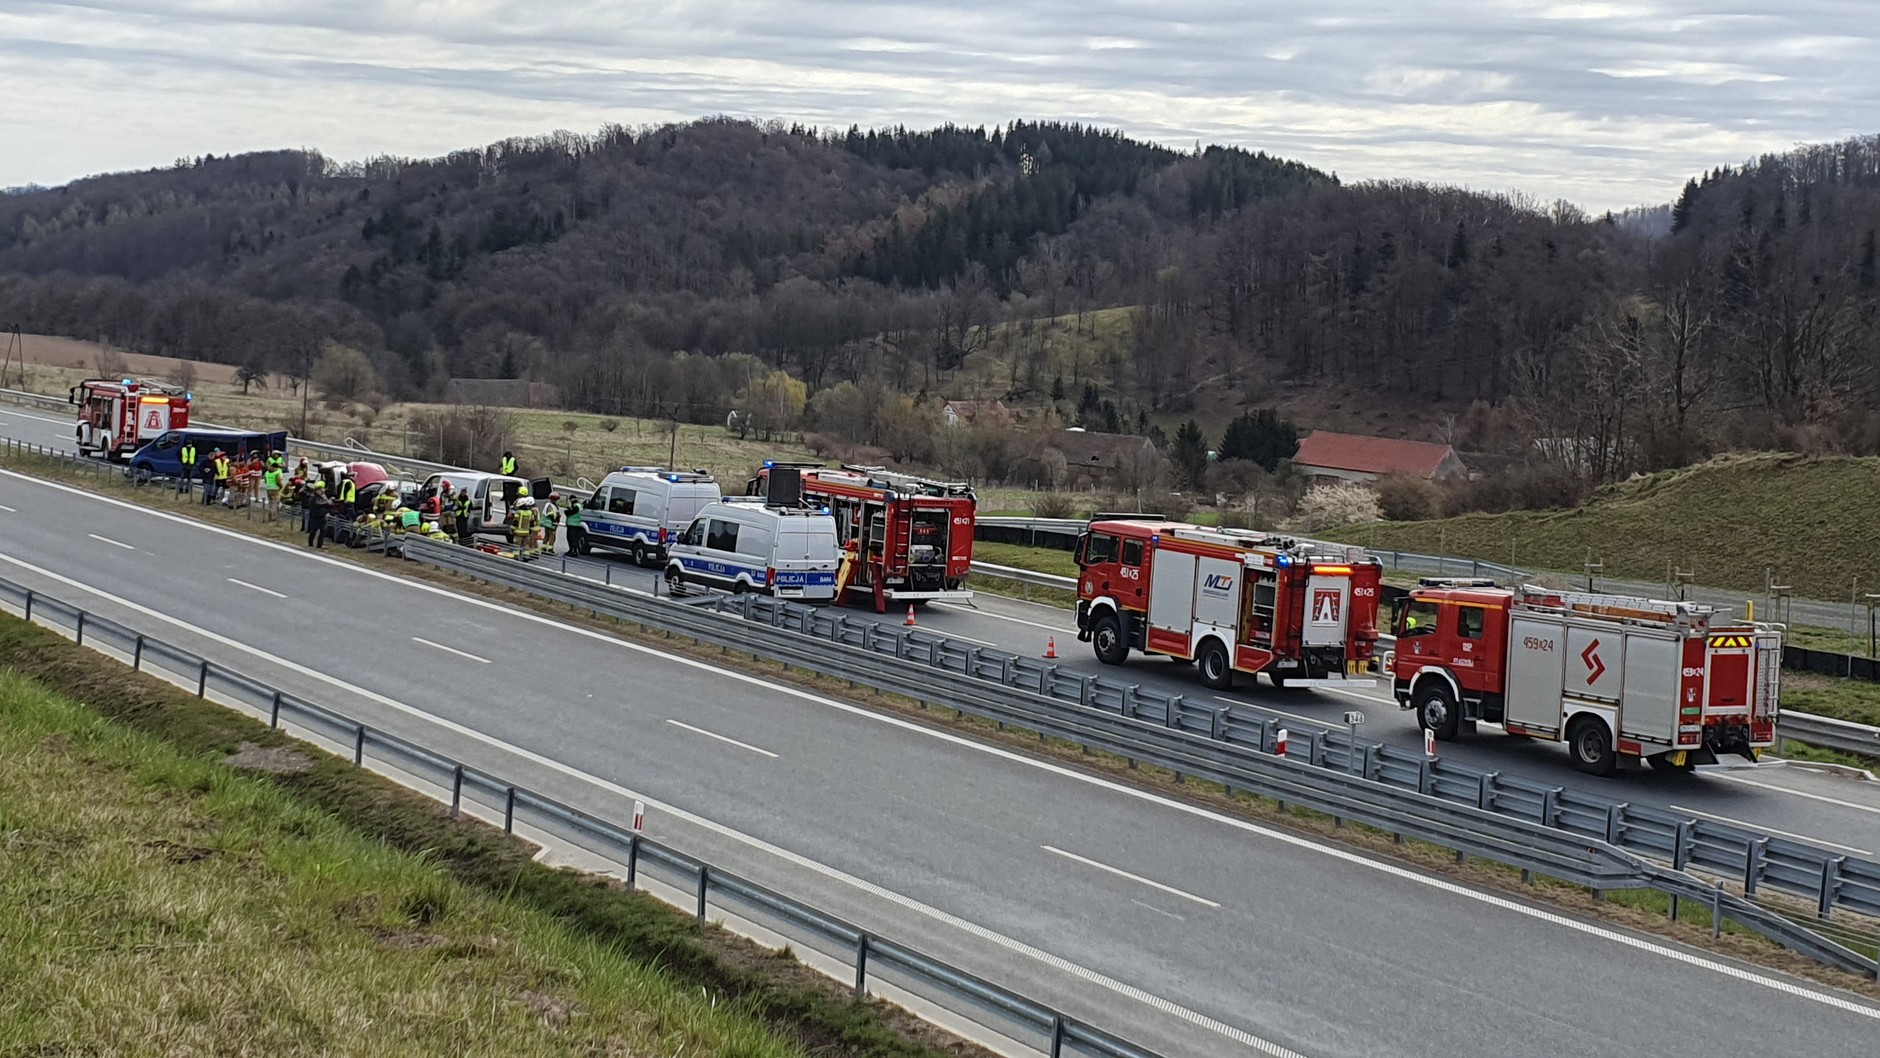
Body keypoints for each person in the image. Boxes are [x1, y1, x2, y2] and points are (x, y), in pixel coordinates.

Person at [305, 481, 332, 548]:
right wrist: (327, 503)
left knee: (323, 531)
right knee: (313, 531)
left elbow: (325, 503)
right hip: (315, 517)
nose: (322, 492)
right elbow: (318, 504)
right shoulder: (313, 497)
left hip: (322, 516)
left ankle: (320, 544)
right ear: (317, 490)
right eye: (321, 490)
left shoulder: (322, 496)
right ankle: (310, 544)